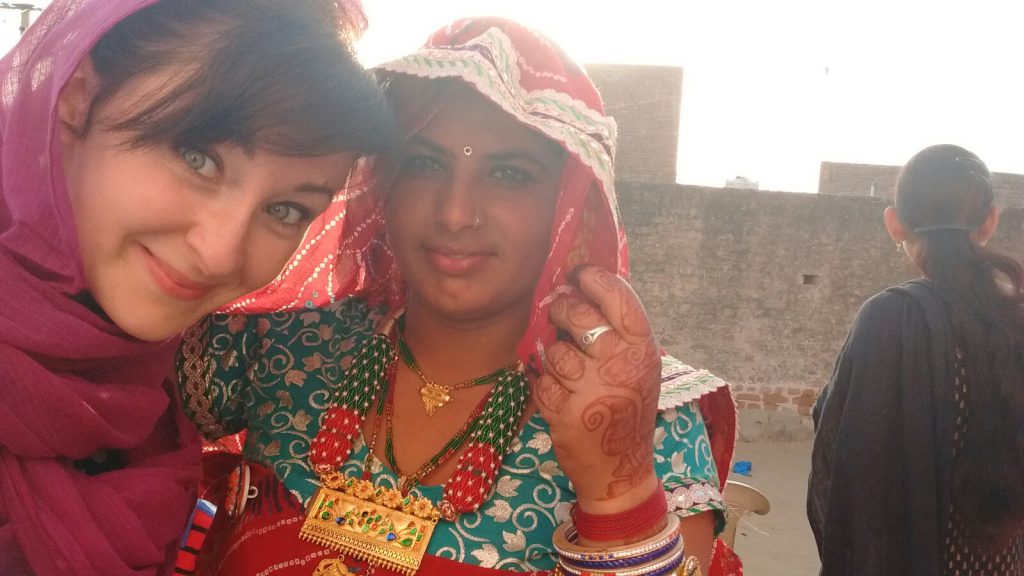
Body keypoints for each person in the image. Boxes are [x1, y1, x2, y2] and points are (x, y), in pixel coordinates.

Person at [177, 17, 741, 576]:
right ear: (383, 180)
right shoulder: (282, 344)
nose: (454, 213)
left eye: (510, 175)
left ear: (571, 208)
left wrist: (617, 490)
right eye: (424, 164)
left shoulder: (641, 418)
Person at [0, 0, 394, 574]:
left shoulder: (142, 393)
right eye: (197, 156)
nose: (220, 253)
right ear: (77, 94)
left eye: (285, 209)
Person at [808, 144, 1024, 575]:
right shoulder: (1014, 322)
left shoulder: (892, 320)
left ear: (895, 224)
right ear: (990, 221)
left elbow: (843, 469)